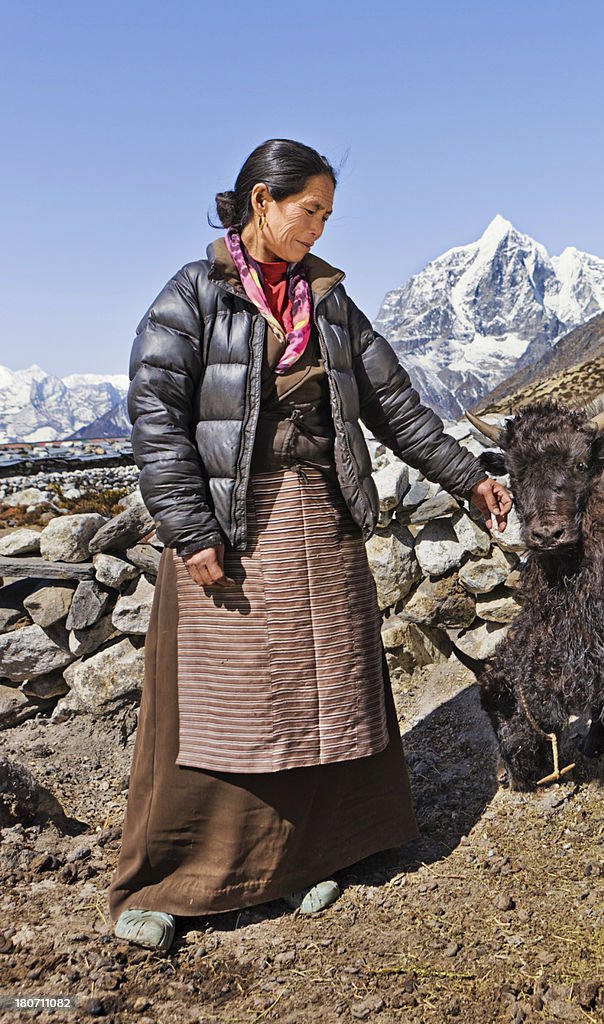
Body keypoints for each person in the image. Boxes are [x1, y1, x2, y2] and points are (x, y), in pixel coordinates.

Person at [108, 139, 512, 952]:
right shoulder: (192, 296)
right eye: (309, 211)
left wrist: (469, 477)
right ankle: (174, 881)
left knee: (328, 691)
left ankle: (318, 856)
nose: (320, 229)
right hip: (232, 523)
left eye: (328, 215)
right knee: (228, 700)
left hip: (320, 524)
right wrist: (190, 531)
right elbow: (156, 421)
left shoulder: (327, 302)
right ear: (261, 202)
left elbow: (394, 406)